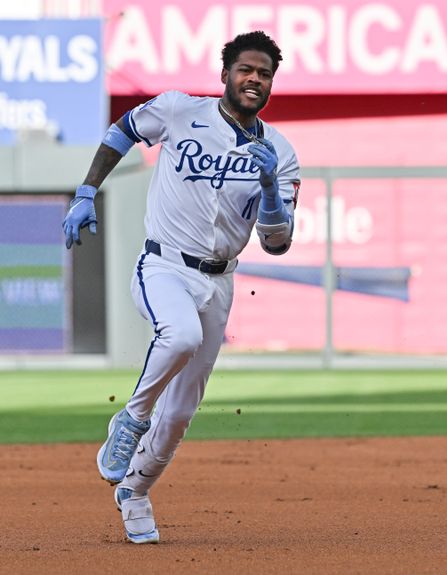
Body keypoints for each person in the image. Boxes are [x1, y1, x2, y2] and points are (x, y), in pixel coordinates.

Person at [62, 31, 300, 544]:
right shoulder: (178, 111)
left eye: (264, 73)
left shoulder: (280, 152)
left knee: (183, 411)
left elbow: (278, 243)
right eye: (245, 70)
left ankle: (136, 492)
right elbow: (121, 132)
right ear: (225, 75)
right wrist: (87, 191)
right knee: (180, 336)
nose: (254, 79)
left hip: (220, 280)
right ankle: (130, 419)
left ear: (272, 83)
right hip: (165, 266)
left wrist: (267, 189)